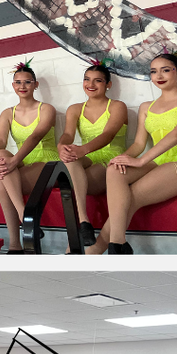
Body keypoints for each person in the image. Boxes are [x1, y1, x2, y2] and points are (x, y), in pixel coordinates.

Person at [86, 52, 177, 255]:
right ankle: (117, 243)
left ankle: (100, 248)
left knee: (133, 195)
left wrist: (140, 162)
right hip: (157, 161)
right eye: (153, 71)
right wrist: (123, 158)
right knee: (114, 170)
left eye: (166, 70)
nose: (159, 75)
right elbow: (139, 144)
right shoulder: (147, 106)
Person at [0, 62, 60, 252]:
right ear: (13, 86)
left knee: (1, 183)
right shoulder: (7, 113)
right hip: (22, 161)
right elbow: (0, 140)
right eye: (18, 82)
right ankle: (25, 218)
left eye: (27, 82)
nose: (22, 86)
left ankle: (15, 242)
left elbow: (36, 136)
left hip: (47, 160)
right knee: (1, 154)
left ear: (36, 85)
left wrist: (14, 161)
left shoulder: (47, 109)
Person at [58, 62, 129, 246]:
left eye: (98, 81)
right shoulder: (74, 109)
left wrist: (82, 149)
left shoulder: (117, 106)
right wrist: (62, 146)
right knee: (69, 159)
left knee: (80, 178)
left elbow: (108, 134)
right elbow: (67, 134)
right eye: (87, 80)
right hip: (88, 155)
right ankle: (84, 221)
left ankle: (85, 228)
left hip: (111, 157)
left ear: (108, 85)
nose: (91, 84)